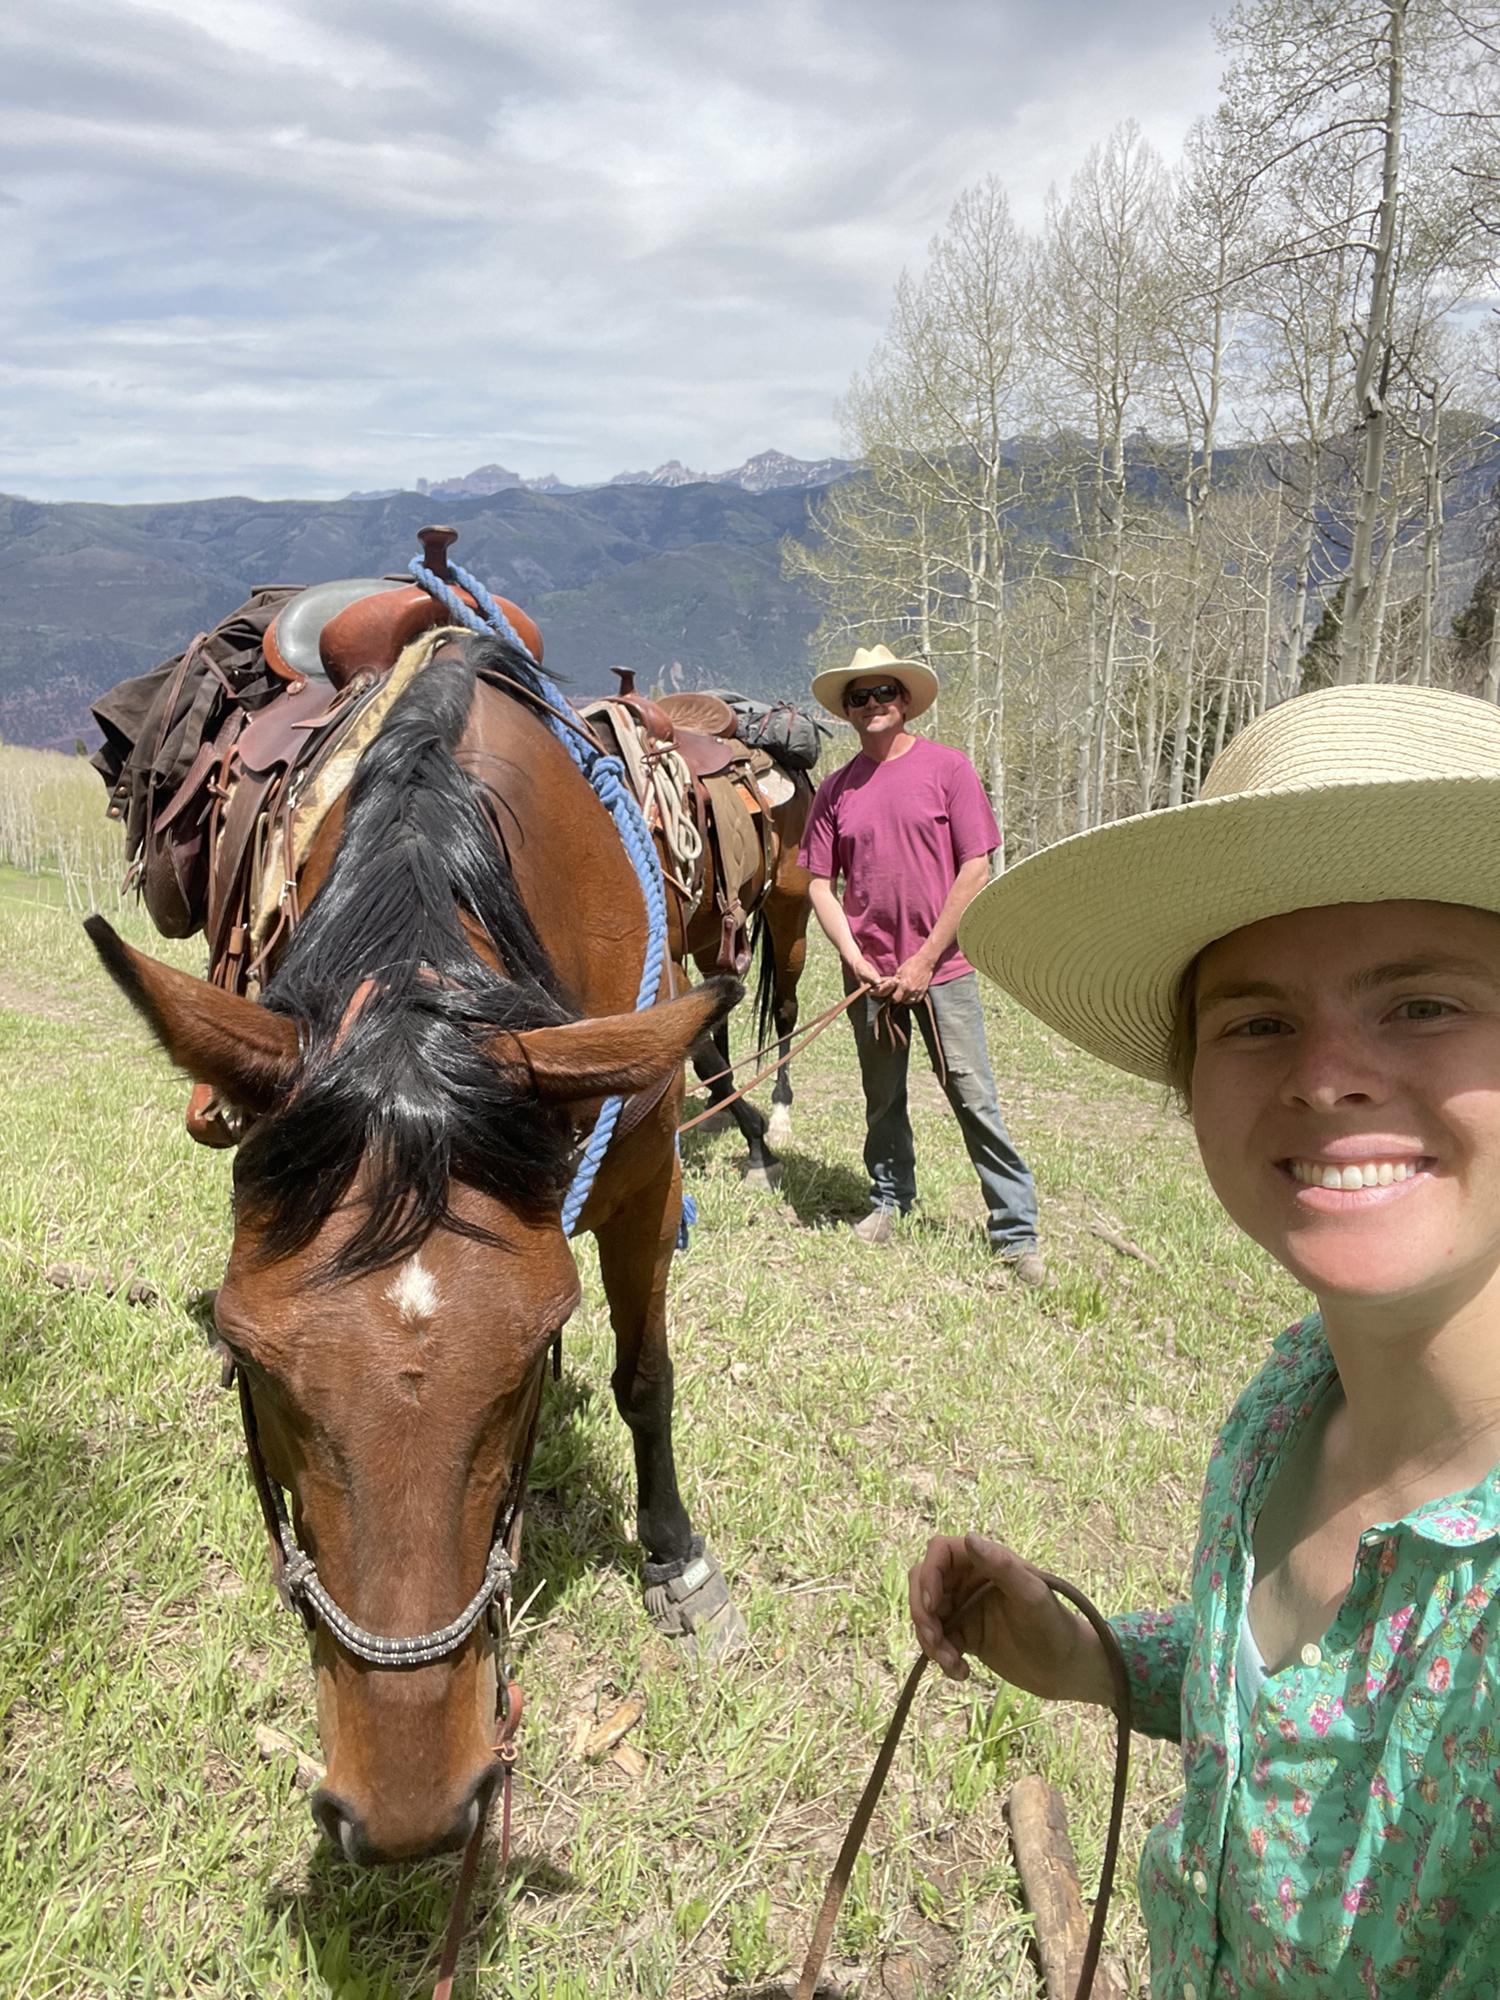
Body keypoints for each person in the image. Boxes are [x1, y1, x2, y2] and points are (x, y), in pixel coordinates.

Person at [910, 682, 1500, 1997]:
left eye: (1422, 1004)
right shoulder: (1294, 1401)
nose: (1327, 1073)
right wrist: (1096, 1660)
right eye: (1255, 1020)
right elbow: (1289, 1702)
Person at [799, 644, 1042, 1280]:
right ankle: (889, 1199)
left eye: (884, 693)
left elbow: (976, 866)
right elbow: (820, 884)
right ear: (848, 711)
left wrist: (926, 959)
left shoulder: (948, 769)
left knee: (971, 1095)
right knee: (882, 1097)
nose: (873, 704)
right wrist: (855, 960)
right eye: (860, 697)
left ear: (904, 701)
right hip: (872, 976)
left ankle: (1015, 1231)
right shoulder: (835, 790)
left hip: (944, 972)